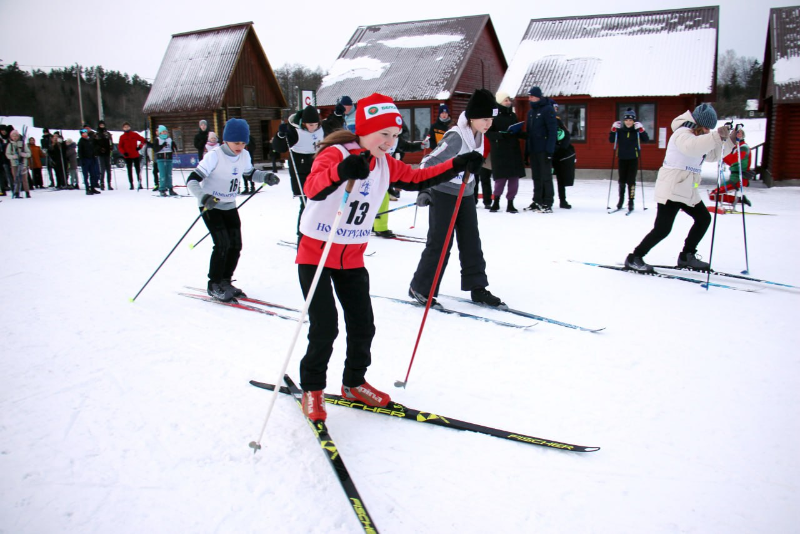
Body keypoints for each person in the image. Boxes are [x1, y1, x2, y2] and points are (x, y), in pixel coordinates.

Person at [295, 92, 479, 421]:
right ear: (364, 130)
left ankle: (354, 383)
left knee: (363, 324)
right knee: (325, 327)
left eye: (395, 136)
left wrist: (457, 164)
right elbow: (313, 188)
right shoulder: (335, 153)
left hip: (351, 256)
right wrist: (341, 171)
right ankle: (312, 388)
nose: (390, 142)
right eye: (384, 135)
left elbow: (416, 178)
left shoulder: (383, 162)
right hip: (317, 255)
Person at [409, 88, 505, 309]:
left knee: (472, 241)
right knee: (440, 243)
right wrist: (424, 190)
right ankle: (420, 288)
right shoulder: (456, 135)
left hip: (466, 193)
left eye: (491, 119)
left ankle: (477, 287)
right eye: (484, 118)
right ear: (472, 117)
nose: (488, 123)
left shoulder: (480, 135)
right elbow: (429, 161)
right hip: (443, 193)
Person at [624, 104, 734, 272]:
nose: (707, 131)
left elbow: (712, 154)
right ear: (697, 123)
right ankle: (634, 257)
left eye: (709, 129)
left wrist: (731, 140)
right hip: (672, 189)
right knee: (662, 229)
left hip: (688, 189)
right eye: (705, 127)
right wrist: (715, 136)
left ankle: (686, 256)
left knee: (704, 219)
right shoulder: (682, 133)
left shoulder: (700, 137)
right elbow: (693, 147)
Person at [186, 118, 280, 302]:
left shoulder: (244, 155)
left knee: (235, 245)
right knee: (222, 244)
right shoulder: (215, 155)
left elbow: (251, 173)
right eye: (237, 142)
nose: (240, 146)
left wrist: (266, 176)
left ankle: (225, 280)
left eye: (243, 142)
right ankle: (214, 284)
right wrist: (203, 197)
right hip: (210, 205)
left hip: (229, 204)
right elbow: (192, 179)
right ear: (226, 140)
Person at [272, 106, 325, 236]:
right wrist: (280, 135)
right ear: (303, 123)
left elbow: (334, 127)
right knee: (306, 203)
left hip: (317, 169)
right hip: (300, 170)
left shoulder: (322, 129)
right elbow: (280, 147)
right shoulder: (294, 131)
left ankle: (316, 230)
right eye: (310, 125)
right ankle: (302, 232)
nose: (313, 128)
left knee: (320, 202)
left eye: (315, 124)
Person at [373, 122, 428, 237]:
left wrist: (420, 146)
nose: (393, 137)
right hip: (373, 169)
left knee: (382, 197)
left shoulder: (398, 140)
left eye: (396, 133)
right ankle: (379, 227)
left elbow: (407, 147)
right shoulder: (378, 137)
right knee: (379, 197)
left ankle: (375, 225)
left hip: (387, 170)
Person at [486, 91, 525, 213]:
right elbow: (488, 133)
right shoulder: (493, 116)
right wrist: (501, 135)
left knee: (514, 179)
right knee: (500, 179)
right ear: (499, 101)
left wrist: (523, 134)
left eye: (509, 100)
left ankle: (510, 203)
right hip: (499, 151)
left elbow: (517, 131)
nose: (508, 102)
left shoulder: (512, 115)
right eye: (505, 100)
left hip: (513, 150)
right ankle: (496, 201)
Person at [609, 108, 649, 211]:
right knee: (622, 180)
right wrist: (613, 129)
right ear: (623, 121)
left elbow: (646, 139)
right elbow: (611, 140)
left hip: (633, 158)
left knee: (631, 181)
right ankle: (620, 200)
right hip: (622, 158)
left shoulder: (636, 131)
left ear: (634, 121)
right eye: (626, 120)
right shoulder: (620, 131)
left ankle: (631, 201)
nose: (628, 122)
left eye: (630, 120)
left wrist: (642, 130)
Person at [525, 86, 557, 213]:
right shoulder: (531, 112)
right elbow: (529, 132)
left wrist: (550, 150)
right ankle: (537, 200)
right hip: (534, 149)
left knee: (546, 177)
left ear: (538, 97)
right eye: (529, 96)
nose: (530, 99)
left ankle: (548, 202)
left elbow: (552, 131)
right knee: (536, 177)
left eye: (532, 96)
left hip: (544, 149)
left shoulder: (547, 109)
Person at [710, 128, 752, 207]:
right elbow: (731, 162)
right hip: (735, 178)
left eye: (732, 135)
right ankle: (739, 200)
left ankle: (740, 200)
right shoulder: (738, 148)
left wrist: (721, 154)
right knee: (713, 194)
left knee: (714, 195)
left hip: (738, 179)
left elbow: (733, 160)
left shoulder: (743, 148)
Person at [552, 101, 575, 209]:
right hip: (549, 153)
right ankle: (545, 199)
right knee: (546, 178)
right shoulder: (546, 120)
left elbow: (567, 135)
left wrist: (561, 149)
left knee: (561, 178)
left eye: (557, 108)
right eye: (554, 108)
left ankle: (563, 200)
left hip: (559, 154)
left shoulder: (558, 121)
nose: (556, 110)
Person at [119, 122, 146, 190]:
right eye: (125, 127)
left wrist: (139, 147)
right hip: (127, 156)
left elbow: (143, 140)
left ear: (130, 127)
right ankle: (131, 184)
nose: (126, 128)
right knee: (129, 170)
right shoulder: (122, 137)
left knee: (138, 170)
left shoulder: (134, 134)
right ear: (123, 128)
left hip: (135, 154)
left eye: (127, 127)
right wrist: (124, 152)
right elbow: (120, 146)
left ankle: (140, 183)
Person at [5, 130, 31, 199]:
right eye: (13, 136)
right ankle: (16, 192)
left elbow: (29, 153)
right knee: (16, 179)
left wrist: (24, 154)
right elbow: (7, 155)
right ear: (11, 137)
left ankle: (27, 192)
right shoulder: (10, 145)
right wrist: (13, 157)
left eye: (16, 135)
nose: (15, 137)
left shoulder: (22, 144)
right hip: (14, 164)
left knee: (24, 179)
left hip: (23, 164)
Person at [153, 125, 176, 197]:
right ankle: (162, 189)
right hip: (161, 158)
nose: (164, 133)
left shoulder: (169, 139)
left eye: (165, 131)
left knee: (169, 174)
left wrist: (174, 146)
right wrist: (162, 146)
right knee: (162, 175)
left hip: (169, 158)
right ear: (160, 133)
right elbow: (155, 149)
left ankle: (170, 188)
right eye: (162, 132)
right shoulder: (157, 139)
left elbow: (173, 149)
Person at [77, 129, 100, 194]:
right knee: (86, 175)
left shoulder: (90, 140)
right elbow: (80, 152)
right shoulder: (81, 141)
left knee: (92, 174)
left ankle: (92, 187)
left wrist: (94, 155)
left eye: (86, 133)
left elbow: (93, 148)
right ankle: (87, 189)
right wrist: (82, 160)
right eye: (83, 133)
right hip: (85, 160)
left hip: (91, 159)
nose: (85, 134)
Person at [95, 120, 114, 190]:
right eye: (101, 125)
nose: (102, 126)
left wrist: (111, 147)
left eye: (103, 125)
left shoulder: (107, 133)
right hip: (101, 153)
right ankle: (102, 183)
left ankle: (109, 183)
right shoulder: (97, 134)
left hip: (107, 153)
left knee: (108, 169)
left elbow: (111, 142)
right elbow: (95, 144)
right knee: (102, 169)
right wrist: (99, 149)